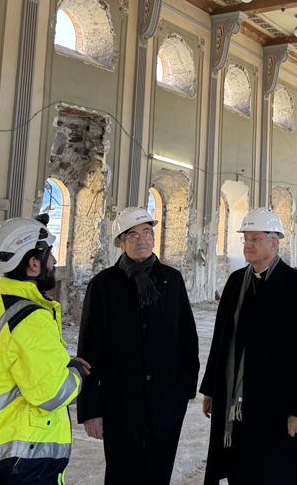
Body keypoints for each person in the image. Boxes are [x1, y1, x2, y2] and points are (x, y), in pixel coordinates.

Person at [0, 215, 88, 484]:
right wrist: (76, 371)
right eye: (50, 256)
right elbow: (53, 395)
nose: (55, 262)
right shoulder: (29, 318)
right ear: (34, 264)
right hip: (16, 456)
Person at [77, 207, 199, 485]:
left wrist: (183, 391)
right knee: (122, 474)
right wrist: (90, 410)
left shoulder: (172, 280)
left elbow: (187, 339)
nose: (141, 239)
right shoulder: (103, 285)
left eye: (147, 233)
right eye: (132, 235)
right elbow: (89, 350)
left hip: (166, 401)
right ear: (120, 242)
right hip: (121, 403)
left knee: (159, 474)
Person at [200, 207, 297, 485]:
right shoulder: (235, 282)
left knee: (274, 471)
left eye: (255, 239)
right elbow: (221, 339)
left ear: (274, 243)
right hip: (237, 401)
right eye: (246, 239)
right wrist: (211, 388)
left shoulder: (296, 286)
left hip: (276, 404)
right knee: (240, 468)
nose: (248, 245)